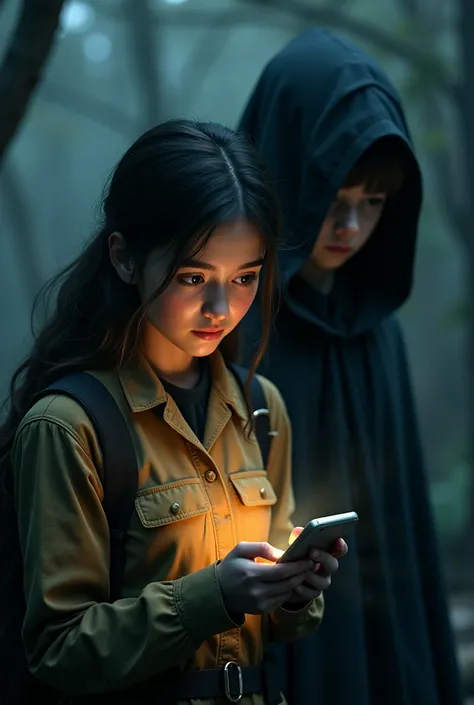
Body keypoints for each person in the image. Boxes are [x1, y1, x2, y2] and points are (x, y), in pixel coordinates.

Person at [0, 119, 348, 705]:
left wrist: (293, 589)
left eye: (244, 278)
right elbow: (59, 648)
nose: (220, 308)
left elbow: (290, 626)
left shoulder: (261, 409)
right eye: (193, 276)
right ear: (125, 258)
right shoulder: (70, 426)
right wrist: (214, 594)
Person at [238, 29, 463, 705]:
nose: (350, 226)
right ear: (286, 176)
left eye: (373, 205)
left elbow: (406, 531)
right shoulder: (229, 327)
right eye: (333, 198)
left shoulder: (378, 333)